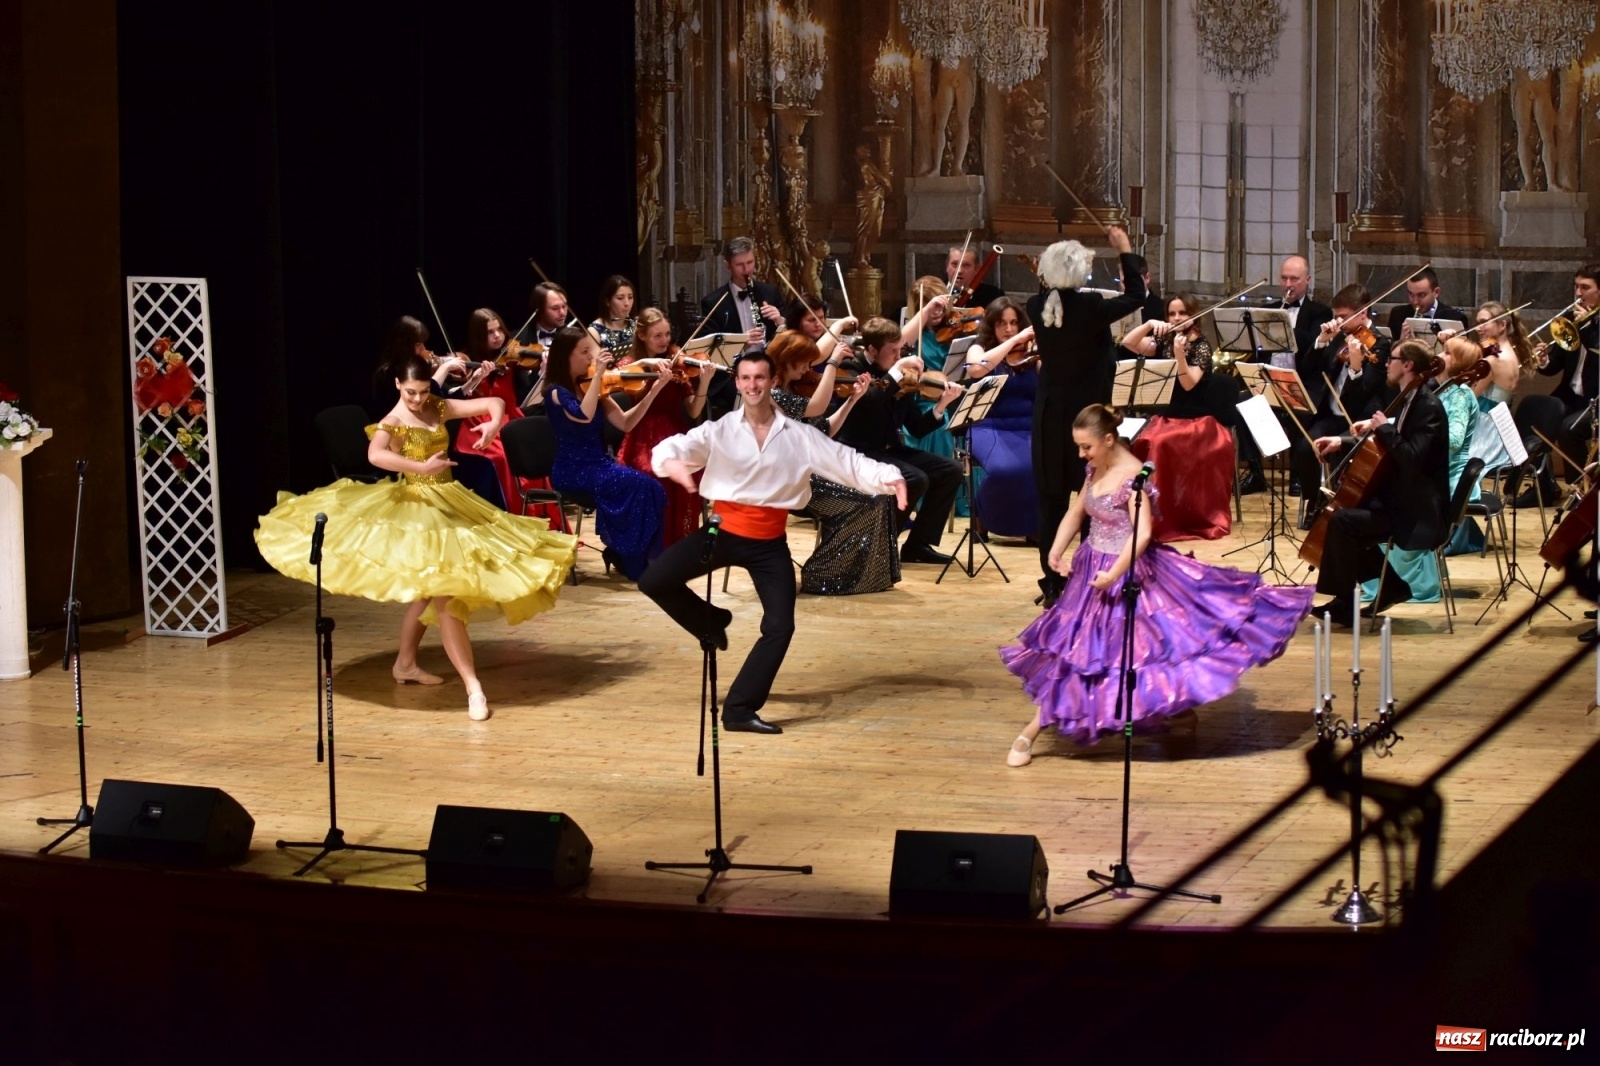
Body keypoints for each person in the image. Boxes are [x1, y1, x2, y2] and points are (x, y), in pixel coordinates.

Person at [255, 355, 577, 721]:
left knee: (429, 592)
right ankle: (474, 687)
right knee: (445, 597)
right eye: (411, 392)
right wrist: (420, 468)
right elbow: (375, 455)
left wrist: (493, 425)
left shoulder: (436, 406)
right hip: (418, 508)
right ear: (397, 385)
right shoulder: (393, 422)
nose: (417, 400)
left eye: (423, 391)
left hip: (449, 500)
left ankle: (405, 664)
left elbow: (494, 402)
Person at [999, 404, 1312, 761]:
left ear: (1109, 439)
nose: (1081, 454)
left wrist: (1114, 574)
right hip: (1092, 568)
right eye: (1079, 447)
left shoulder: (1135, 476)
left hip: (1126, 570)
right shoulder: (1094, 467)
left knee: (1128, 649)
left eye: (1086, 446)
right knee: (1080, 651)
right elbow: (1077, 510)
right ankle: (1174, 709)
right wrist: (1055, 550)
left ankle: (1033, 730)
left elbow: (1143, 533)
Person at [643, 350, 907, 734]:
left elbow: (847, 462)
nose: (753, 385)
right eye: (746, 378)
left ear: (772, 382)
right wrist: (674, 464)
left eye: (760, 378)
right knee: (654, 581)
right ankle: (711, 620)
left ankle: (738, 710)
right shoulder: (719, 430)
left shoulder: (799, 437)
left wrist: (890, 477)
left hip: (769, 542)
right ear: (736, 383)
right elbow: (673, 447)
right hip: (723, 531)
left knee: (780, 626)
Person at [1026, 225, 1145, 606]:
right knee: (1092, 497)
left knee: (1052, 500)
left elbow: (1051, 293)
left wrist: (1048, 274)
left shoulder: (1035, 305)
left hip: (1048, 418)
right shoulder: (1093, 306)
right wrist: (1124, 248)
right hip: (1088, 420)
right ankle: (1085, 578)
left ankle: (1052, 582)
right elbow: (1136, 295)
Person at [1310, 339, 1450, 626]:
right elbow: (1386, 444)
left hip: (1416, 509)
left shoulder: (1428, 406)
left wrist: (1385, 427)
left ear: (1408, 365)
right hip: (1400, 498)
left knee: (1343, 522)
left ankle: (1348, 602)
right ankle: (1385, 588)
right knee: (1342, 519)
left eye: (1393, 359)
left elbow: (1411, 457)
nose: (1387, 363)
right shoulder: (1409, 400)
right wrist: (1343, 441)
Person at [767, 331, 899, 594]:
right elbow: (816, 408)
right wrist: (832, 363)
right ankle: (822, 573)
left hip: (812, 472)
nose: (807, 369)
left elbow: (825, 428)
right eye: (804, 362)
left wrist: (852, 400)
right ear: (787, 360)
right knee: (867, 499)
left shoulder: (794, 389)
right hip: (790, 481)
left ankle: (863, 576)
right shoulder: (771, 396)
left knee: (881, 493)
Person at [543, 326, 672, 579]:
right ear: (566, 356)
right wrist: (599, 374)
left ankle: (631, 555)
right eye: (584, 353)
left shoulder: (593, 385)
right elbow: (583, 414)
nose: (591, 359)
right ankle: (628, 558)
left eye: (590, 352)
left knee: (653, 488)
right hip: (573, 470)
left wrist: (655, 389)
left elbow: (625, 423)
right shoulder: (556, 392)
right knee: (635, 485)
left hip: (600, 464)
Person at [835, 316, 965, 564]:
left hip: (889, 450)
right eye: (892, 351)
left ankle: (917, 545)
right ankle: (879, 545)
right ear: (872, 349)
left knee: (951, 469)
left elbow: (916, 428)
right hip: (858, 452)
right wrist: (894, 374)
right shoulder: (851, 369)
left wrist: (942, 405)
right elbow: (870, 401)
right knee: (914, 479)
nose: (898, 356)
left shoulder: (901, 376)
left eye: (900, 350)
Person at [1118, 294, 1236, 540]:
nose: (1177, 318)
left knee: (1160, 444)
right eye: (1172, 314)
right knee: (1142, 442)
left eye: (1182, 313)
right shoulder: (1163, 339)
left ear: (1193, 315)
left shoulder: (1202, 345)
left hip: (1197, 420)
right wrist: (1150, 325)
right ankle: (1146, 514)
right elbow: (1128, 343)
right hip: (1167, 416)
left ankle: (1169, 517)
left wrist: (1179, 354)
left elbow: (1189, 383)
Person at [1285, 285, 1391, 525]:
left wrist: (1356, 367)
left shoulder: (1381, 345)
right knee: (1304, 449)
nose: (1338, 322)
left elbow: (1368, 389)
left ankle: (1337, 506)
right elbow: (1308, 370)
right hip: (1330, 414)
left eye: (1343, 316)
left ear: (1363, 313)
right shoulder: (1339, 338)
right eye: (1336, 316)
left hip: (1358, 419)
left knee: (1336, 453)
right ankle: (1315, 501)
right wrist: (1321, 341)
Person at [617, 307, 714, 546]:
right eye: (657, 335)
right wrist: (645, 363)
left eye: (667, 334)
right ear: (642, 336)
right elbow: (616, 375)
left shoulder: (677, 362)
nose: (665, 341)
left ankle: (679, 541)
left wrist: (704, 383)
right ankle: (652, 543)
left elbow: (693, 410)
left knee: (691, 470)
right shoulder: (632, 364)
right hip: (642, 434)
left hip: (674, 432)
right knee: (652, 474)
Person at [1513, 264, 1600, 506]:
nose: (1578, 293)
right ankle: (1543, 485)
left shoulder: (1591, 323)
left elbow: (1597, 350)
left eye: (1586, 287)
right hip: (1571, 394)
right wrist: (1543, 360)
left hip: (1596, 398)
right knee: (1537, 421)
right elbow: (1555, 366)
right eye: (1576, 286)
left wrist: (1588, 327)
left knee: (1568, 430)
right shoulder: (1570, 319)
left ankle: (1580, 491)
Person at [964, 297, 1037, 539]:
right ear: (991, 326)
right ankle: (982, 513)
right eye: (1002, 324)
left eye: (1014, 323)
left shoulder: (1030, 352)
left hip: (1029, 426)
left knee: (1041, 468)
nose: (1009, 329)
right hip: (988, 426)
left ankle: (1033, 526)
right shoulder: (979, 348)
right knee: (1005, 470)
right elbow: (975, 369)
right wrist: (1013, 341)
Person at [514, 282, 574, 410]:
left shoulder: (573, 337)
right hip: (534, 410)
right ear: (539, 310)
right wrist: (542, 373)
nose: (563, 313)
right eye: (555, 308)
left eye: (564, 306)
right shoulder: (519, 340)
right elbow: (522, 392)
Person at [1384, 267, 1469, 342]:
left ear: (1436, 292)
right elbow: (1388, 353)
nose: (1415, 301)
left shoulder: (1454, 318)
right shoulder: (1398, 314)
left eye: (1421, 295)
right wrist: (1401, 342)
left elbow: (1462, 355)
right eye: (1411, 294)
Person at [590, 275, 637, 357]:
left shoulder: (636, 325)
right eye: (620, 298)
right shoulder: (594, 331)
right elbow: (595, 367)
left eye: (630, 297)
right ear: (608, 301)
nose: (627, 303)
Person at [946, 245, 1004, 310]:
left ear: (977, 269)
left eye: (966, 265)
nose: (959, 271)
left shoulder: (993, 295)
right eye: (954, 264)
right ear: (947, 267)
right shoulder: (934, 290)